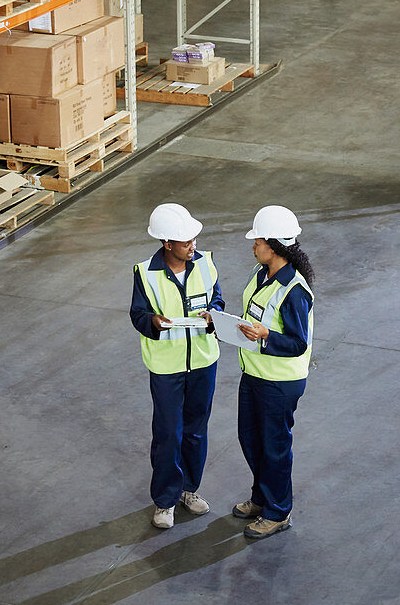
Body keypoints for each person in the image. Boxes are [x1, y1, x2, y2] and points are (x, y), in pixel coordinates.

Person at [130, 203, 224, 530]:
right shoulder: (145, 273)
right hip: (167, 365)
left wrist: (213, 314)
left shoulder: (206, 264)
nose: (193, 246)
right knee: (169, 432)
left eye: (194, 239)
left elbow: (217, 300)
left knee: (196, 430)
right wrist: (153, 321)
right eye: (186, 242)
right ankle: (165, 500)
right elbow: (138, 315)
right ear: (167, 244)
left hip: (202, 361)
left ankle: (188, 490)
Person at [231, 205, 314, 541]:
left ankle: (278, 512)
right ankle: (263, 497)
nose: (253, 245)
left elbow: (297, 343)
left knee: (274, 446)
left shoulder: (294, 291)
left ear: (276, 245)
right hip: (254, 373)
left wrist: (264, 336)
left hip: (279, 383)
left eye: (259, 241)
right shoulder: (260, 273)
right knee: (251, 439)